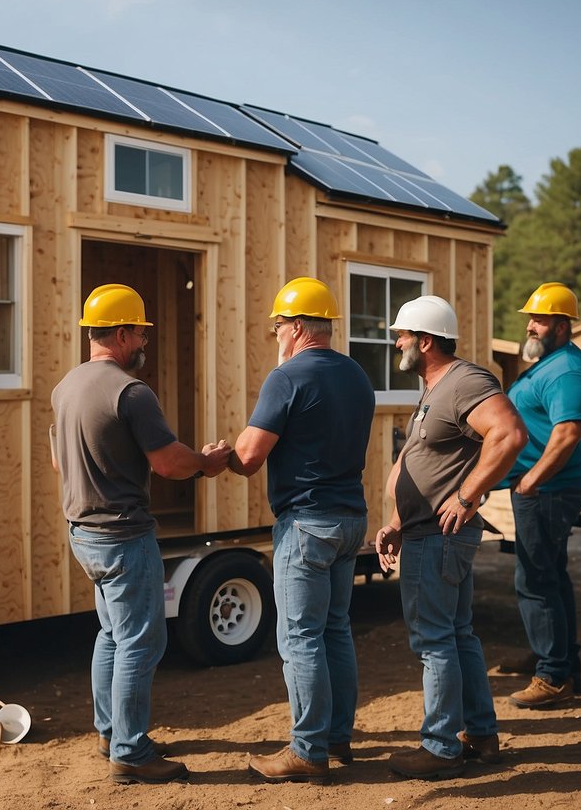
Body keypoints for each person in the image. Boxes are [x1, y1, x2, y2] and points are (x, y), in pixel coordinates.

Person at [50, 283, 231, 785]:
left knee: (112, 634)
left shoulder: (66, 387)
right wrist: (207, 463)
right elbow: (170, 463)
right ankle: (130, 752)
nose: (145, 342)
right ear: (124, 332)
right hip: (123, 535)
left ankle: (111, 731)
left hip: (83, 532)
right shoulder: (131, 392)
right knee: (140, 642)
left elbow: (58, 459)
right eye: (142, 332)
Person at [226, 277, 375, 784]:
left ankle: (307, 749)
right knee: (335, 629)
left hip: (307, 523)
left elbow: (249, 457)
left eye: (277, 328)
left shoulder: (287, 377)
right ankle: (337, 737)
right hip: (350, 518)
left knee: (299, 637)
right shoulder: (356, 374)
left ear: (295, 328)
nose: (275, 337)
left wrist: (217, 456)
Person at [374, 295, 527, 779]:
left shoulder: (465, 380)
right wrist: (398, 521)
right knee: (457, 636)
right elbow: (429, 462)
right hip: (425, 534)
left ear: (425, 340)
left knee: (435, 641)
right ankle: (481, 735)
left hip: (439, 538)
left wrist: (466, 496)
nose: (396, 341)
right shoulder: (434, 386)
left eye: (401, 335)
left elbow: (509, 433)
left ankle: (440, 747)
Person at [500, 282, 581, 708]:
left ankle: (553, 676)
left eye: (539, 320)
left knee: (535, 578)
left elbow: (568, 434)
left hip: (549, 491)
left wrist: (530, 480)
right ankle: (556, 657)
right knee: (551, 575)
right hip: (543, 489)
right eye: (530, 319)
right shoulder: (550, 363)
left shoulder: (568, 372)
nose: (530, 326)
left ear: (562, 324)